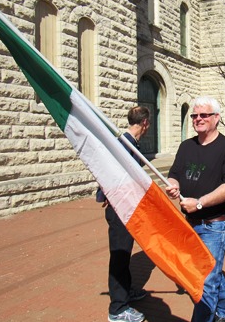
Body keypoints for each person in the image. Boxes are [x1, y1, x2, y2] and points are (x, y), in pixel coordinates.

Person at [166, 96, 225, 322]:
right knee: (209, 272)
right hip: (190, 223)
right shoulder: (186, 146)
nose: (198, 119)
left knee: (205, 279)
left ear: (216, 118)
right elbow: (174, 174)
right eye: (195, 115)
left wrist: (199, 202)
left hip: (215, 225)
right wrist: (173, 186)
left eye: (204, 115)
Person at [96, 106, 151, 322]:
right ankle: (117, 309)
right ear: (145, 123)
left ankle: (126, 291)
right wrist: (106, 193)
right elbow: (105, 168)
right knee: (119, 256)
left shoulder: (130, 143)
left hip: (126, 208)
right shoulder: (124, 142)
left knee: (125, 253)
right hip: (119, 210)